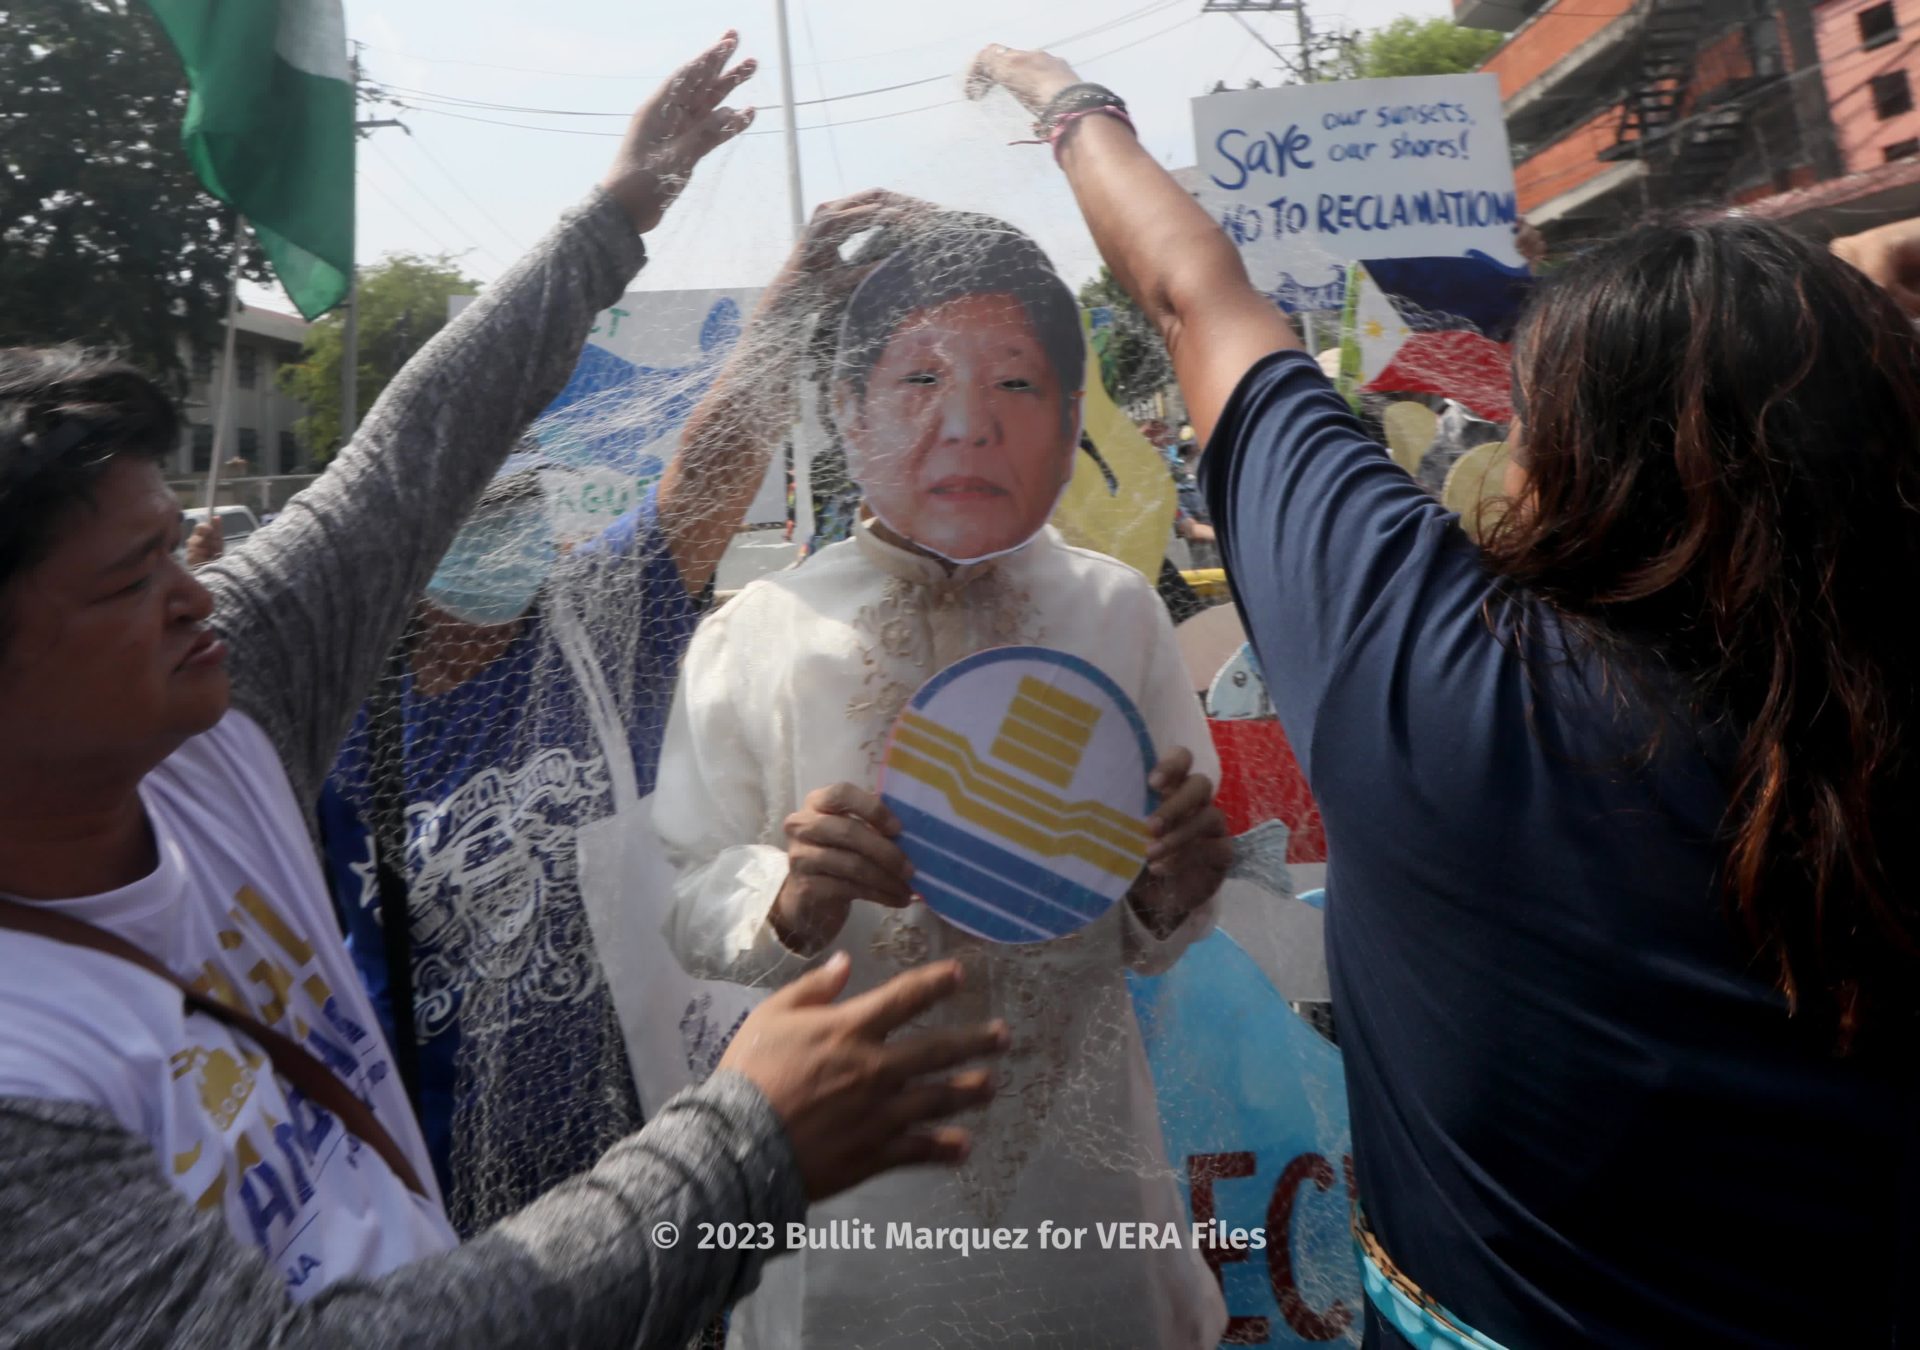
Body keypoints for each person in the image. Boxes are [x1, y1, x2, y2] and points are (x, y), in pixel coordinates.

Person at [0, 36, 1004, 1346]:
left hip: (620, 1213)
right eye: (133, 578)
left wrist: (620, 211)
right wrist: (738, 1146)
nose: (202, 589)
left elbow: (411, 451)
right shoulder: (35, 1076)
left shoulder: (234, 707)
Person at [974, 41, 1920, 1348]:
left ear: (1574, 456)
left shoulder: (1436, 677)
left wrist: (1068, 107)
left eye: (1529, 411)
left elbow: (1197, 294)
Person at [655, 204, 1233, 1348]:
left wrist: (1177, 878)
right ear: (845, 412)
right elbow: (684, 888)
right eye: (919, 378)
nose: (968, 424)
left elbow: (1166, 911)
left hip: (1084, 1194)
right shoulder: (761, 629)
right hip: (852, 1212)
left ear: (1074, 420)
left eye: (1017, 385)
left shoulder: (1116, 612)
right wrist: (789, 893)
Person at [317, 190, 902, 1234]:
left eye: (526, 499)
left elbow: (706, 476)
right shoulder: (341, 727)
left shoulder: (590, 641)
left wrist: (792, 304)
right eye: (483, 508)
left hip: (651, 1171)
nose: (515, 531)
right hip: (443, 1212)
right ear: (411, 526)